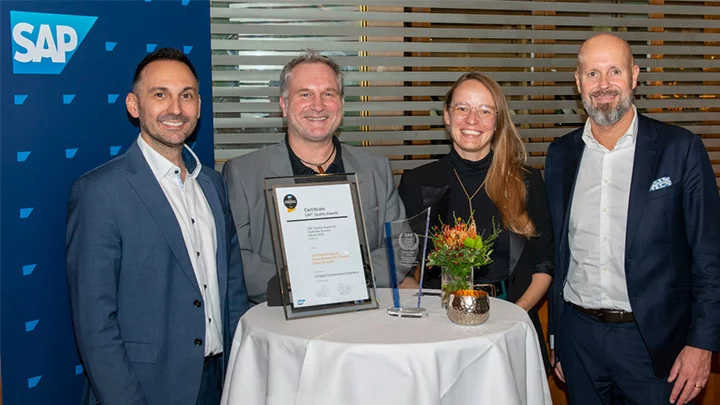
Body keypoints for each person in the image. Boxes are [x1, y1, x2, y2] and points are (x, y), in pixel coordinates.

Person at [66, 48, 250, 405]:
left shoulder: (213, 185)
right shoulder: (99, 192)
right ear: (134, 105)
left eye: (187, 95)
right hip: (144, 389)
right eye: (160, 94)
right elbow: (95, 323)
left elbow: (233, 293)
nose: (176, 109)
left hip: (218, 382)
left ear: (199, 105)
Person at [545, 33, 720, 405]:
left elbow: (710, 255)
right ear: (578, 82)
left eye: (614, 71)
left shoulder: (680, 149)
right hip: (579, 340)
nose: (603, 84)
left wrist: (701, 344)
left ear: (634, 76)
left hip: (656, 344)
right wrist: (557, 335)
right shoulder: (560, 154)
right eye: (592, 73)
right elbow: (560, 252)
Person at [222, 50, 408, 304]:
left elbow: (400, 245)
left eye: (328, 94)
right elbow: (237, 257)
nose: (318, 106)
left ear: (341, 104)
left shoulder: (376, 168)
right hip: (280, 317)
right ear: (284, 105)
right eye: (305, 94)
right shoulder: (243, 174)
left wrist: (353, 279)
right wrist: (303, 285)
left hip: (363, 315)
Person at [398, 72, 554, 367]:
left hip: (512, 324)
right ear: (447, 116)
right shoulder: (416, 182)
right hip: (438, 331)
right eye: (462, 108)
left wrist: (516, 314)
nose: (472, 120)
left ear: (498, 120)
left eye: (485, 111)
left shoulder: (526, 181)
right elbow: (403, 267)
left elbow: (544, 265)